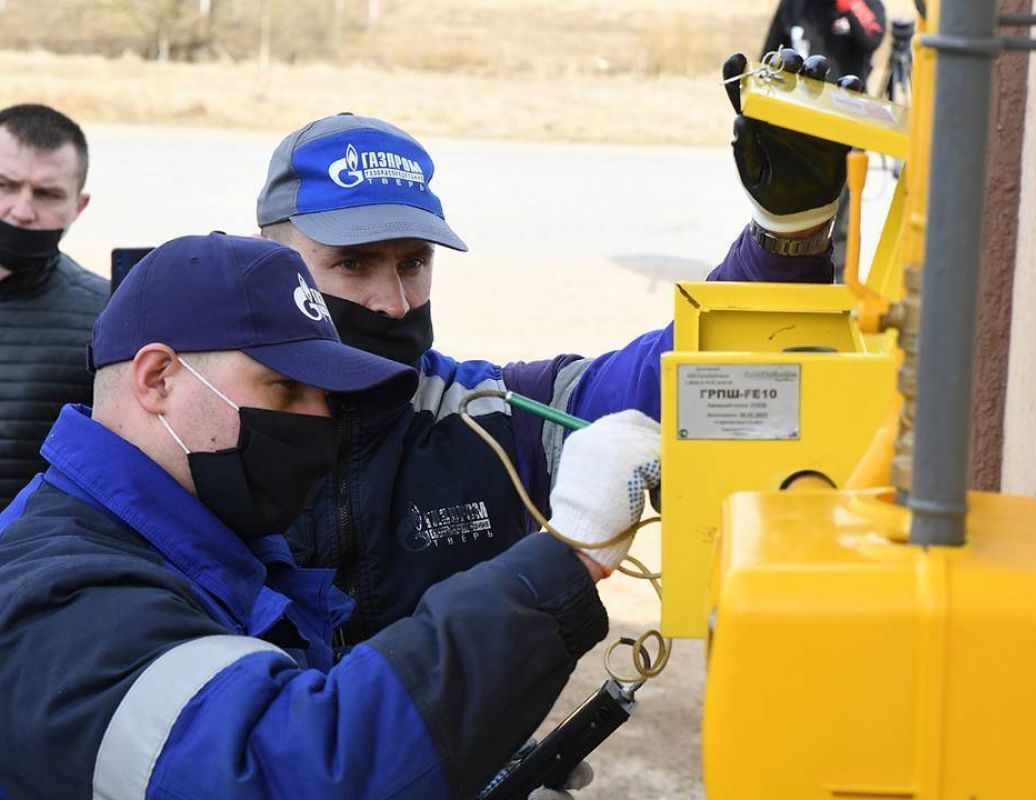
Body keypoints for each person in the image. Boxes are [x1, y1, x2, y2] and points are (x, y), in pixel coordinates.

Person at [0, 232, 660, 799]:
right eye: (284, 387)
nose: (319, 419)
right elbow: (301, 774)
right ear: (156, 379)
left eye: (323, 395)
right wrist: (567, 552)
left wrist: (458, 763)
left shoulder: (216, 553)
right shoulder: (60, 597)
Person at [256, 56, 856, 647]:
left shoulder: (492, 418)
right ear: (271, 258)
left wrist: (787, 232)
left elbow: (678, 374)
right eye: (353, 264)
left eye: (413, 262)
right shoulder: (197, 430)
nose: (394, 301)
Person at [0, 103, 105, 509]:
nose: (21, 211)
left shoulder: (107, 319)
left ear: (78, 207)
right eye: (4, 185)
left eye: (46, 194)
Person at [761, 0, 887, 84]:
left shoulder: (865, 4)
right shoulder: (797, 4)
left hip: (842, 102)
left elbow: (873, 39)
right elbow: (771, 50)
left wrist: (848, 5)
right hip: (795, 95)